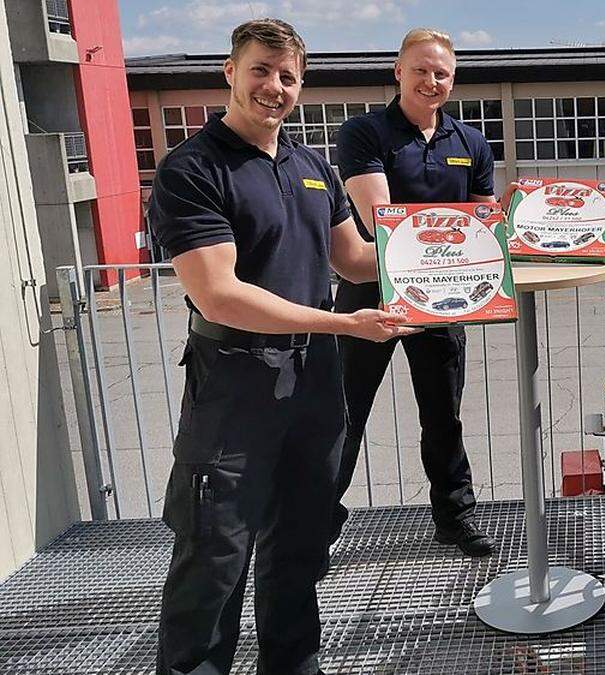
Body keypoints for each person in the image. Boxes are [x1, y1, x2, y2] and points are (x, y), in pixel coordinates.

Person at [149, 19, 415, 674]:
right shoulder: (193, 168)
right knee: (215, 557)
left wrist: (452, 256)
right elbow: (221, 295)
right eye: (261, 70)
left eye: (288, 76)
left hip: (315, 382)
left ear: (301, 86)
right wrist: (343, 327)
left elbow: (353, 261)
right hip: (234, 382)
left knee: (300, 547)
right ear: (230, 73)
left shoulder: (312, 166)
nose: (274, 86)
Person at [332, 28, 496, 556]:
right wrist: (458, 228)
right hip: (369, 297)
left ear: (453, 80)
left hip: (442, 301)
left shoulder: (471, 142)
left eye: (441, 72)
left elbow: (483, 221)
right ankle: (313, 531)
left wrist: (506, 216)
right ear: (398, 71)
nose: (431, 80)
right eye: (420, 69)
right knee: (343, 413)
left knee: (443, 415)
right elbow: (380, 218)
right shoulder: (364, 132)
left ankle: (455, 517)